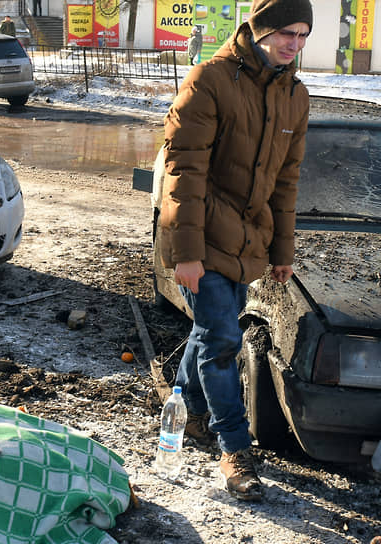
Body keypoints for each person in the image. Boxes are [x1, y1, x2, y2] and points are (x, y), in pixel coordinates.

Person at [159, 0, 312, 502]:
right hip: (199, 237)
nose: (294, 42)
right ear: (260, 27)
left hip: (249, 243)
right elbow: (184, 172)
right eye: (286, 31)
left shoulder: (295, 95)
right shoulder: (210, 79)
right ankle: (234, 447)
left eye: (303, 34)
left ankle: (184, 413)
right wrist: (185, 252)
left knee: (210, 333)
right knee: (224, 339)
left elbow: (285, 182)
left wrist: (282, 247)